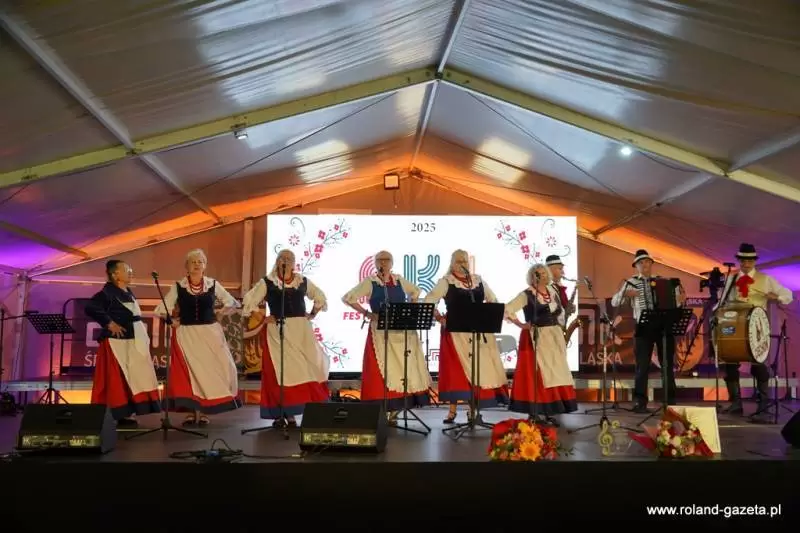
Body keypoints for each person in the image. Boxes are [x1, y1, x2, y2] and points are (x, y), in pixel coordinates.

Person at [242, 249, 330, 427]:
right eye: (283, 257)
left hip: (301, 331)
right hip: (278, 331)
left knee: (304, 370)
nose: (286, 260)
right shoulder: (268, 282)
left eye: (290, 258)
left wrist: (312, 314)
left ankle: (298, 410)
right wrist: (263, 318)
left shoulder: (302, 281)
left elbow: (320, 297)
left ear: (294, 262)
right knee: (280, 372)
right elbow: (249, 301)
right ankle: (282, 413)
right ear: (277, 261)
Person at [342, 251, 432, 424]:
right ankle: (383, 410)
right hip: (381, 332)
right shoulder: (370, 282)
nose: (383, 263)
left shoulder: (399, 280)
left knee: (403, 368)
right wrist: (367, 313)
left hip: (401, 329)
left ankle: (397, 410)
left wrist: (410, 309)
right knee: (384, 369)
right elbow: (349, 298)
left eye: (386, 260)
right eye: (380, 260)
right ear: (375, 263)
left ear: (392, 263)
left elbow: (415, 291)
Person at [154, 249, 241, 425]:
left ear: (205, 265)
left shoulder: (212, 284)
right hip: (187, 334)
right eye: (193, 261)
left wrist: (221, 313)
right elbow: (162, 309)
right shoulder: (179, 286)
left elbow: (231, 302)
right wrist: (172, 321)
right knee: (191, 374)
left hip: (210, 333)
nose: (197, 264)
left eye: (200, 261)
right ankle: (192, 411)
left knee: (209, 372)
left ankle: (204, 410)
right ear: (186, 266)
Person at [423, 249, 508, 423]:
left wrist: (489, 313)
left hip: (477, 330)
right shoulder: (446, 281)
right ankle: (452, 411)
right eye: (459, 261)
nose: (462, 264)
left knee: (477, 369)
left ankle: (473, 411)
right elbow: (429, 300)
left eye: (465, 261)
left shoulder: (478, 281)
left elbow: (493, 299)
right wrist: (439, 318)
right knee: (457, 371)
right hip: (455, 332)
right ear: (452, 263)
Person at [715, 243, 793, 417]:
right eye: (743, 260)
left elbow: (788, 295)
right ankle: (736, 404)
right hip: (736, 325)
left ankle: (763, 405)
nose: (746, 264)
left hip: (757, 325)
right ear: (739, 261)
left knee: (758, 364)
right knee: (730, 363)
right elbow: (722, 302)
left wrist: (777, 297)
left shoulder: (765, 279)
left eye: (749, 261)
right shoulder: (731, 279)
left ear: (754, 261)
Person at [85, 260, 161, 426]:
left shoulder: (126, 291)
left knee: (135, 377)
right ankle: (120, 413)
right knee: (118, 379)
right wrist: (109, 323)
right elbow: (90, 307)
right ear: (115, 274)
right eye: (127, 269)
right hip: (118, 342)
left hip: (133, 339)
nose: (131, 272)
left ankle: (129, 411)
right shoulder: (107, 292)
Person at [611, 249, 685, 413]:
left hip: (663, 325)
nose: (644, 265)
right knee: (642, 366)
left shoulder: (662, 281)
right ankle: (640, 402)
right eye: (641, 262)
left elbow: (676, 302)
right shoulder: (631, 282)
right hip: (643, 326)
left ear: (651, 264)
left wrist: (679, 301)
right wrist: (626, 293)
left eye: (647, 262)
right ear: (636, 266)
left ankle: (670, 401)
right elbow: (615, 302)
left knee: (667, 365)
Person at [505, 264, 577, 426]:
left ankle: (549, 409)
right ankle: (534, 411)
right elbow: (508, 309)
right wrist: (521, 324)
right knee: (537, 375)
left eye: (544, 273)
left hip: (553, 336)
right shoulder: (527, 294)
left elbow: (559, 313)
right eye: (538, 273)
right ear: (532, 276)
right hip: (535, 337)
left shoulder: (552, 292)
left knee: (553, 374)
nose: (542, 275)